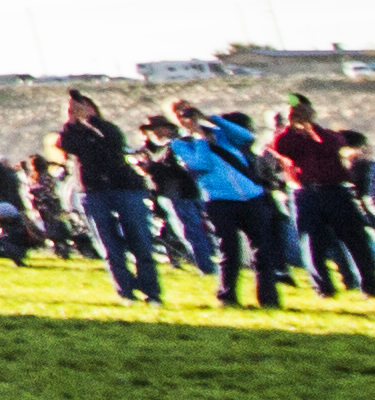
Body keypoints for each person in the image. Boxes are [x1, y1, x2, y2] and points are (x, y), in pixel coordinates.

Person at [163, 101, 293, 310]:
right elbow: (201, 164)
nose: (187, 115)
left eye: (188, 109)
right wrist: (200, 138)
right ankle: (227, 296)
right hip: (219, 200)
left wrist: (212, 119)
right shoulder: (181, 144)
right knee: (229, 250)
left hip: (251, 196)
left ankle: (269, 298)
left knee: (263, 249)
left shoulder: (221, 134)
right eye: (180, 113)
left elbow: (246, 138)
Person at [276, 97, 375, 301]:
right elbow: (283, 148)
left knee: (355, 239)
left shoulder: (327, 135)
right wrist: (291, 126)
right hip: (306, 192)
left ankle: (370, 286)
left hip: (335, 191)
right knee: (312, 242)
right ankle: (323, 287)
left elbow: (331, 144)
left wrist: (311, 125)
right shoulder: (288, 138)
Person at [56, 91, 160, 303]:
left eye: (85, 107)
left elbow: (114, 139)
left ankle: (151, 291)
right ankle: (126, 291)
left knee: (140, 241)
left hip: (125, 189)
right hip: (93, 192)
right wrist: (72, 121)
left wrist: (91, 119)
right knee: (109, 245)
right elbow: (64, 144)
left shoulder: (107, 128)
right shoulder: (74, 133)